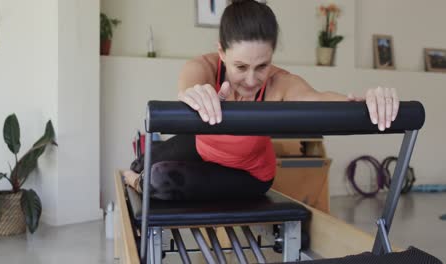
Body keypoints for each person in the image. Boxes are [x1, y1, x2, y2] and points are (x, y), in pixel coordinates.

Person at [123, 0, 399, 200]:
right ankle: (137, 177)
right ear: (221, 52)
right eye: (241, 67)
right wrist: (195, 93)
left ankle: (140, 182)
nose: (253, 80)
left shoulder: (281, 84)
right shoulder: (204, 67)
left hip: (249, 173)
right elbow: (188, 86)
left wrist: (368, 102)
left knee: (157, 181)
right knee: (140, 163)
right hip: (202, 148)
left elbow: (319, 100)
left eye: (262, 66)